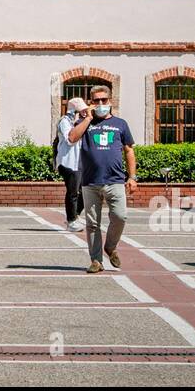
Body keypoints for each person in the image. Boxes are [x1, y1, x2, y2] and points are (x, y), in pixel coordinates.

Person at [67, 85, 136, 273]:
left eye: (103, 100)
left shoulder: (120, 124)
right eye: (96, 101)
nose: (100, 104)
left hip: (115, 180)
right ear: (91, 103)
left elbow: (129, 150)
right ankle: (96, 260)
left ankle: (110, 246)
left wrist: (132, 177)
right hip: (90, 181)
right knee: (92, 224)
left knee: (120, 216)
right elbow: (72, 138)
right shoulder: (85, 122)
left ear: (110, 101)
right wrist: (87, 118)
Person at [55, 97, 88, 231]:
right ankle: (71, 220)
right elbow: (70, 140)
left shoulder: (80, 122)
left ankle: (76, 215)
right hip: (68, 161)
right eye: (83, 110)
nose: (86, 113)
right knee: (73, 192)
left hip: (80, 161)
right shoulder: (65, 121)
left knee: (85, 190)